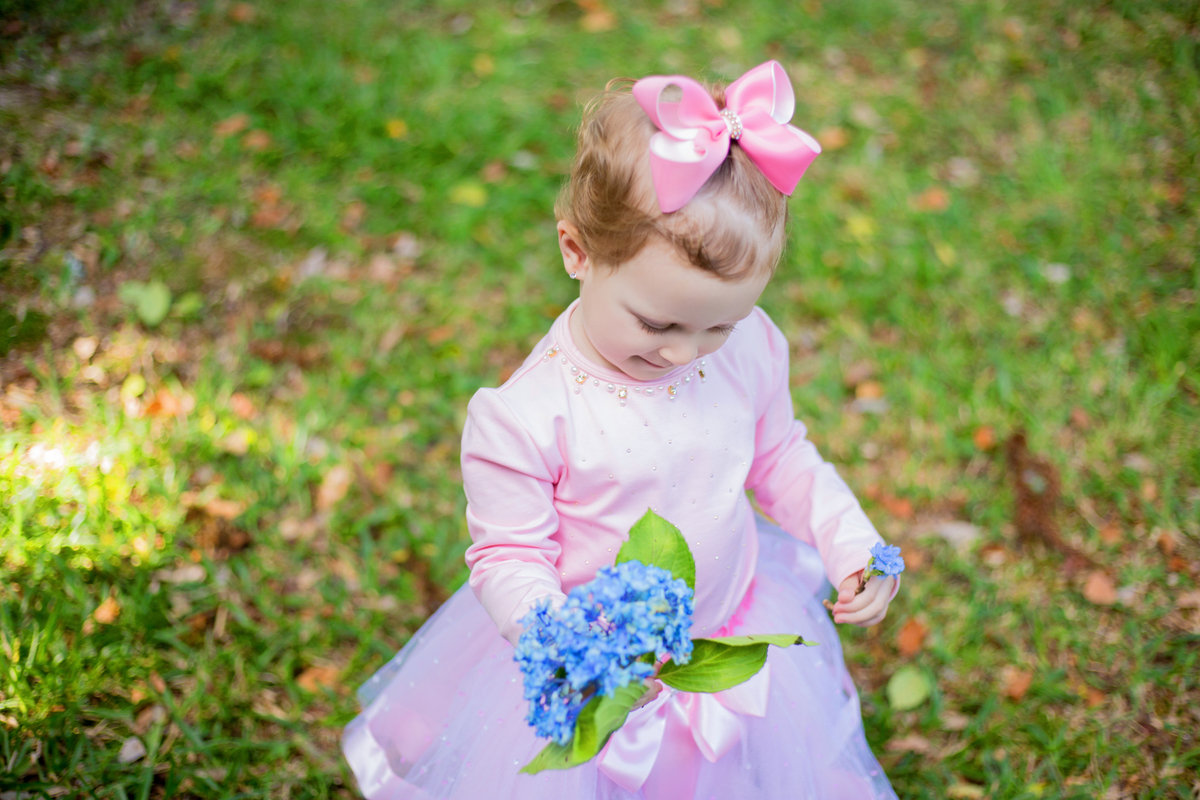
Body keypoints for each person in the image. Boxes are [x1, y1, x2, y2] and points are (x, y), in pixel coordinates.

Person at [343, 61, 900, 800]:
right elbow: (511, 556)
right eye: (657, 324)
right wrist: (573, 658)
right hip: (593, 665)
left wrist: (852, 543)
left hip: (725, 627)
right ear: (577, 252)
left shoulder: (750, 348)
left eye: (718, 325)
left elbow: (781, 457)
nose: (685, 353)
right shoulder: (526, 417)